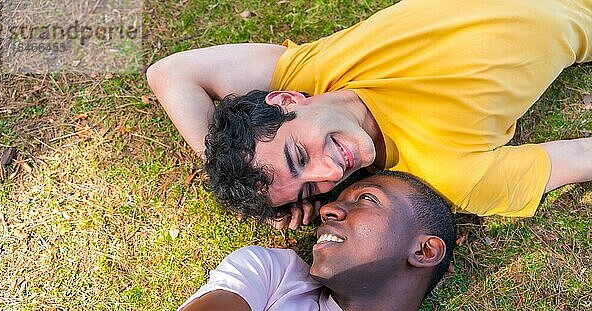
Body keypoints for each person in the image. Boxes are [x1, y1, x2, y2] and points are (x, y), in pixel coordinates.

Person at [0, 171, 479, 311]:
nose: (330, 209)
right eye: (336, 201)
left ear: (424, 251)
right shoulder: (274, 278)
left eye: (366, 200)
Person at [147, 0, 592, 229]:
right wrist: (278, 195)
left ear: (285, 101)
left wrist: (222, 160)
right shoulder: (449, 175)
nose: (329, 171)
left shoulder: (312, 73)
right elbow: (578, 158)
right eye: (311, 188)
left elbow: (169, 72)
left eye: (300, 157)